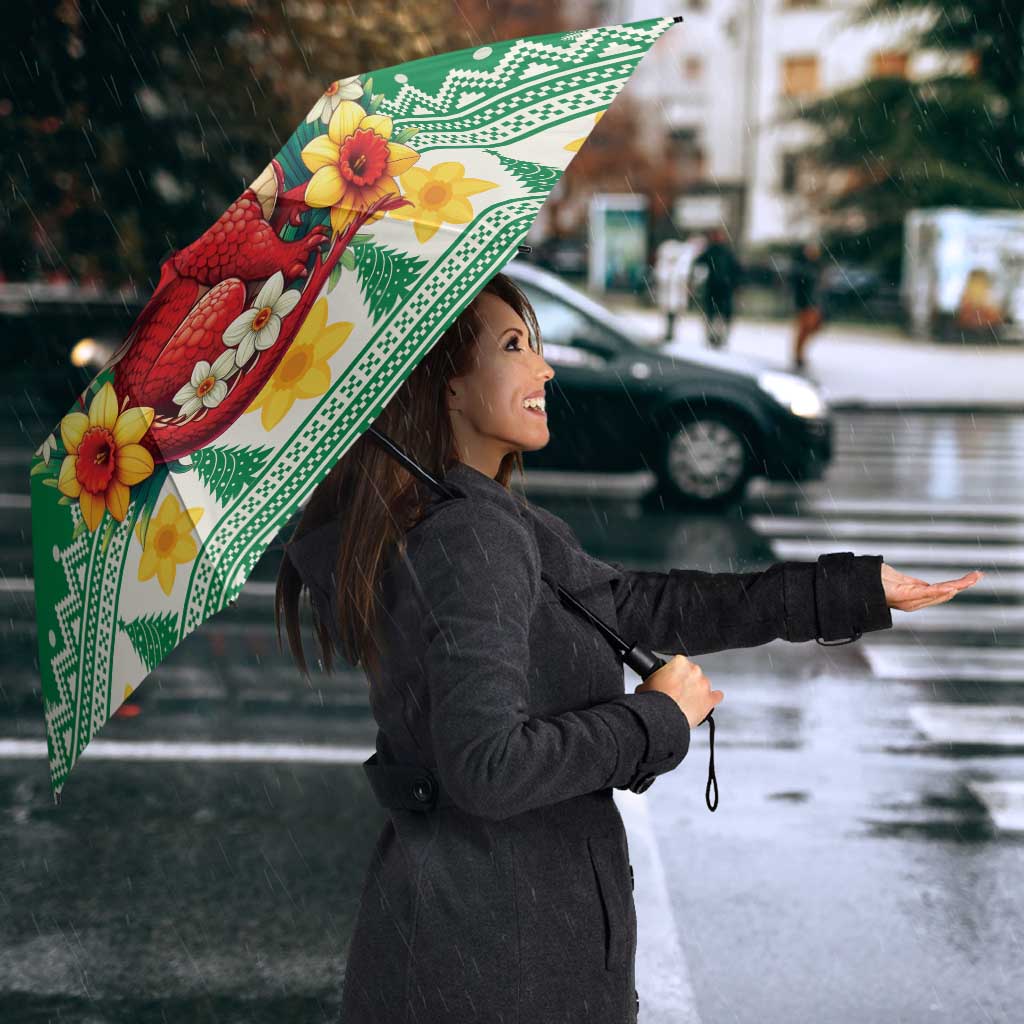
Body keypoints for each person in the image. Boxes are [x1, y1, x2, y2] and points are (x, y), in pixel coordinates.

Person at [276, 271, 982, 1024]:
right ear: (446, 387)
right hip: (496, 962)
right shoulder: (470, 536)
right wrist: (655, 719)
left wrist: (849, 590)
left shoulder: (479, 519)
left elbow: (643, 605)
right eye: (514, 346)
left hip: (477, 943)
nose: (544, 368)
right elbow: (487, 767)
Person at [692, 226, 742, 349]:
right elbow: (698, 264)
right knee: (713, 314)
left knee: (720, 315)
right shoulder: (712, 251)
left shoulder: (725, 252)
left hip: (723, 288)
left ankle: (719, 337)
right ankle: (713, 337)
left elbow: (736, 270)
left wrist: (735, 284)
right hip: (715, 288)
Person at [790, 239, 826, 370]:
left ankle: (799, 354)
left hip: (814, 303)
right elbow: (799, 286)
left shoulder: (817, 266)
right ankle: (798, 355)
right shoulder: (802, 267)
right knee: (804, 329)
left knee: (812, 328)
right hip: (805, 303)